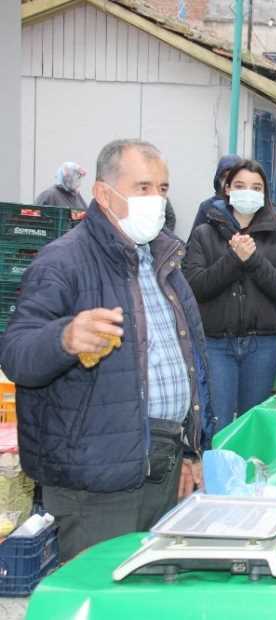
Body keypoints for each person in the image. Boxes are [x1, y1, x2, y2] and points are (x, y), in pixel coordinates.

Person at [0, 139, 209, 562]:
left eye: (163, 189)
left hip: (163, 466)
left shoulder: (164, 262)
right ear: (102, 193)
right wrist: (64, 338)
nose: (156, 200)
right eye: (143, 187)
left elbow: (191, 361)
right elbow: (17, 352)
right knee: (101, 596)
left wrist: (190, 450)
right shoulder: (64, 261)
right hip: (95, 478)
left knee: (150, 597)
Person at [184, 160, 276, 434]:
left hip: (262, 345)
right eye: (241, 185)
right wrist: (233, 259)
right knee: (217, 423)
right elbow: (195, 287)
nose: (249, 192)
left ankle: (248, 475)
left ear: (265, 194)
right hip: (216, 344)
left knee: (252, 425)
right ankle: (214, 475)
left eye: (256, 187)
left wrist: (253, 259)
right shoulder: (203, 235)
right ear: (228, 190)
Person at [190, 154, 242, 236]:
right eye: (225, 176)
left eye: (234, 176)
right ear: (219, 179)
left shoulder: (248, 205)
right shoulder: (207, 206)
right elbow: (193, 242)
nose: (229, 181)